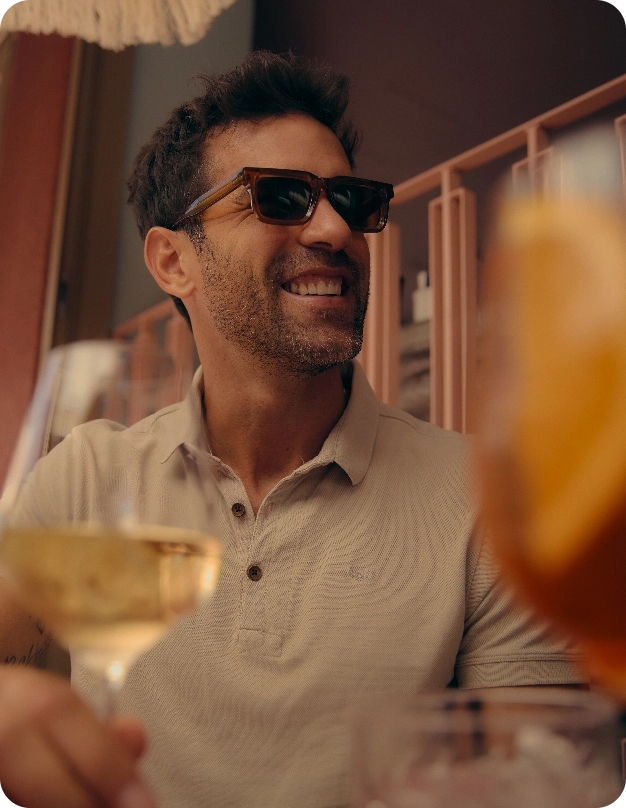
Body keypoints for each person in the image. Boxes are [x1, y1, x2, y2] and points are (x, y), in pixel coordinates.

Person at [0, 51, 583, 808]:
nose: (338, 229)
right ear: (174, 261)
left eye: (351, 199)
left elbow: (539, 784)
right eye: (280, 198)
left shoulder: (493, 497)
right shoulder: (86, 473)